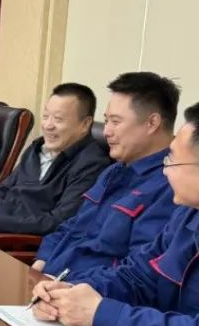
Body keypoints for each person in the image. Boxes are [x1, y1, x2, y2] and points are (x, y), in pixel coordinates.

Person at [31, 93, 199, 326]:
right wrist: (72, 293)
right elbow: (137, 276)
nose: (165, 171)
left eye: (172, 160)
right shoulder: (189, 217)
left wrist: (103, 313)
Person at [32, 73, 179, 275]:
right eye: (106, 120)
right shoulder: (114, 171)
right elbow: (73, 226)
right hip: (50, 279)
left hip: (86, 289)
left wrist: (70, 288)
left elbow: (138, 270)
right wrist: (41, 262)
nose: (107, 131)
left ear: (152, 123)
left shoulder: (172, 186)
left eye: (115, 122)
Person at [0, 83, 110, 236]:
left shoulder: (92, 165)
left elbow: (59, 221)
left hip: (12, 240)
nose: (48, 126)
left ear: (85, 124)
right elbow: (3, 189)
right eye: (45, 116)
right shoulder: (37, 148)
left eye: (58, 119)